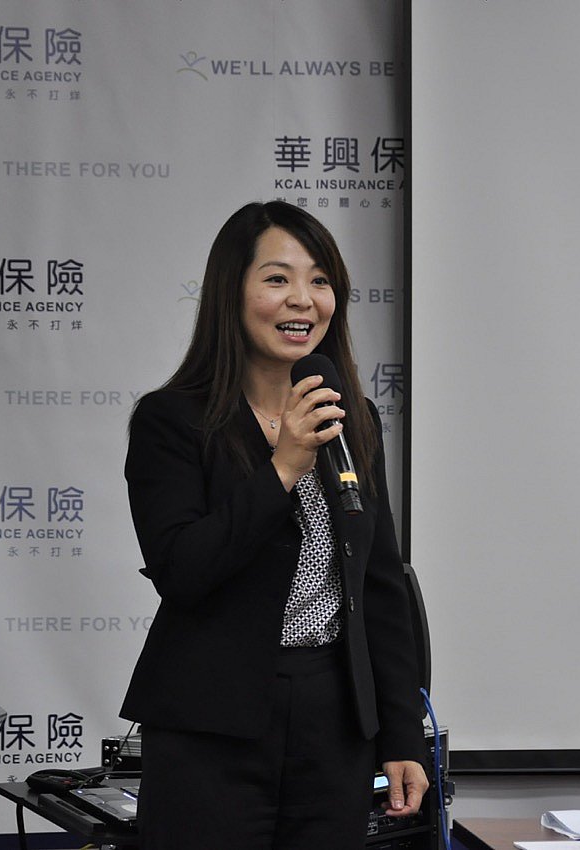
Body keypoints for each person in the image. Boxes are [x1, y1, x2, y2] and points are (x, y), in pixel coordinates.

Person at [121, 200, 429, 849]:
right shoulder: (171, 420)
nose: (303, 300)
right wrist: (283, 467)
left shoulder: (350, 417)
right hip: (211, 725)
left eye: (320, 281)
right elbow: (183, 570)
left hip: (334, 722)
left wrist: (403, 733)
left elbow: (379, 586)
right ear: (231, 292)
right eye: (278, 278)